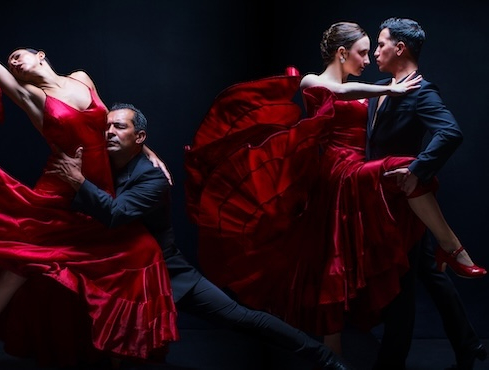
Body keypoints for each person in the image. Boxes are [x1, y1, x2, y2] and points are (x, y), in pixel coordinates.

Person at [0, 5, 179, 369]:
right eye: (10, 63)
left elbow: (109, 127)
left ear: (40, 55)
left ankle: (110, 347)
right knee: (19, 267)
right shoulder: (34, 99)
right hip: (58, 193)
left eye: (17, 56)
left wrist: (147, 149)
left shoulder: (83, 79)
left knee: (134, 254)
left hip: (98, 190)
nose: (13, 63)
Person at [184, 20, 483, 364]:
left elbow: (428, 127)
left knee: (380, 266)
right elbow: (339, 93)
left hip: (376, 188)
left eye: (375, 49)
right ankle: (452, 255)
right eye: (363, 52)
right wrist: (390, 91)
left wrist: (392, 96)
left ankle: (459, 337)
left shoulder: (390, 89)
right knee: (357, 257)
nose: (370, 58)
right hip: (342, 174)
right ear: (342, 53)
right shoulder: (318, 81)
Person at [47, 102, 352, 369]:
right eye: (107, 126)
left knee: (239, 318)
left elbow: (116, 214)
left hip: (166, 271)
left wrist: (78, 182)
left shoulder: (153, 177)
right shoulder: (102, 166)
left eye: (119, 126)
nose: (110, 131)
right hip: (119, 271)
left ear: (139, 137)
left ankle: (323, 356)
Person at [366, 17, 486, 370]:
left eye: (380, 44)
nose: (375, 51)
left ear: (399, 48)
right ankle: (469, 345)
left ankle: (390, 363)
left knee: (401, 283)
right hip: (385, 202)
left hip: (406, 204)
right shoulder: (380, 88)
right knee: (429, 274)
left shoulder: (422, 92)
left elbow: (450, 133)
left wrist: (417, 169)